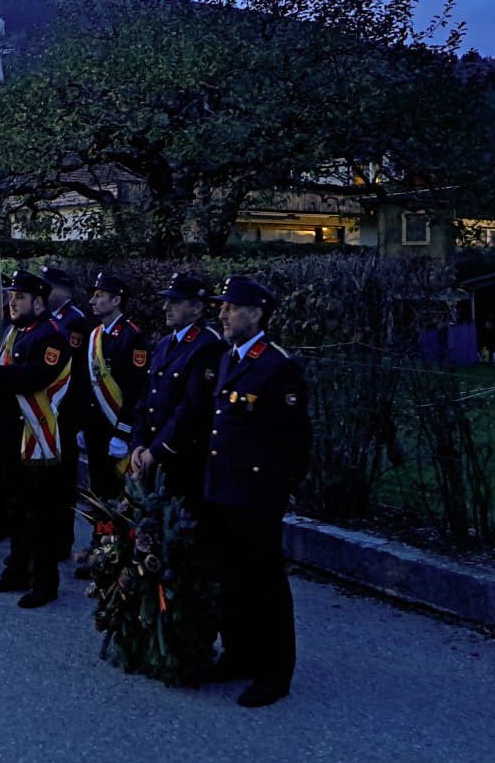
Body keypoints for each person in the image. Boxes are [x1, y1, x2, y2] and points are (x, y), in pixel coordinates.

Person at [201, 275, 311, 708]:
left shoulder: (277, 366)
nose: (223, 314)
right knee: (230, 579)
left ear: (257, 313)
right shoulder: (230, 357)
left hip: (256, 493)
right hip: (223, 488)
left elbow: (294, 440)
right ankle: (238, 653)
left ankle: (274, 673)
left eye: (231, 307)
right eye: (223, 306)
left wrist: (283, 490)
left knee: (264, 586)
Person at [0, 270, 74, 609]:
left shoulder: (51, 336)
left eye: (20, 297)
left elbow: (37, 376)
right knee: (15, 510)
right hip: (8, 436)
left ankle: (44, 582)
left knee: (38, 515)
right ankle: (16, 569)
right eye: (11, 295)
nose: (12, 302)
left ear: (39, 302)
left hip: (36, 438)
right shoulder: (15, 331)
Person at [72, 272, 149, 580]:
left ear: (116, 300)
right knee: (98, 491)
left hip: (116, 430)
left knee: (119, 496)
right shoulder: (94, 336)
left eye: (100, 295)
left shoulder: (132, 337)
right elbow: (84, 384)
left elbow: (135, 389)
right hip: (94, 427)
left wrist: (123, 432)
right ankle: (98, 548)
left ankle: (116, 555)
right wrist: (81, 423)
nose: (93, 300)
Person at [129, 273, 226, 509]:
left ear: (197, 308)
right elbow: (146, 398)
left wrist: (156, 450)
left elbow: (192, 407)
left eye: (176, 302)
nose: (166, 307)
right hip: (151, 456)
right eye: (167, 300)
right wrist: (138, 445)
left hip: (182, 459)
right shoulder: (164, 344)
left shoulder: (208, 345)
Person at [40, 266, 89, 562]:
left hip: (67, 412)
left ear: (62, 290)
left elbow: (74, 371)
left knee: (62, 482)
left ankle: (61, 543)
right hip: (50, 411)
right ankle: (47, 539)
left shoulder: (75, 322)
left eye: (48, 288)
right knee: (48, 481)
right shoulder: (52, 321)